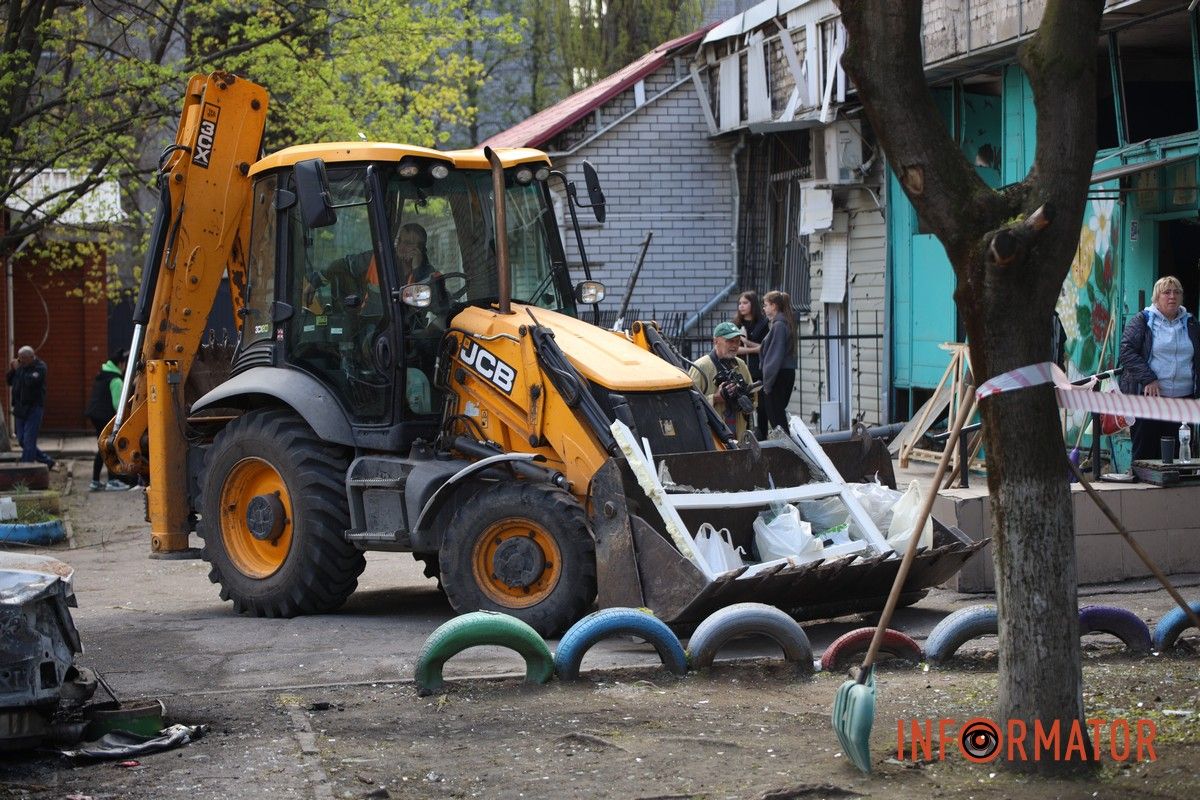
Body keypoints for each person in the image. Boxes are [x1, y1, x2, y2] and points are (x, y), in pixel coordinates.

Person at [1118, 275, 1200, 461]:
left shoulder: (1191, 323)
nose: (1172, 296)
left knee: (1178, 453)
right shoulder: (1143, 320)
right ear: (1156, 297)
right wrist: (1149, 378)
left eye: (1177, 292)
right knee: (1146, 450)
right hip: (1150, 398)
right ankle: (1141, 487)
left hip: (1183, 399)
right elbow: (1126, 352)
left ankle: (1174, 490)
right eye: (1167, 292)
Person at [689, 322, 757, 442]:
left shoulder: (741, 365)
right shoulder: (701, 366)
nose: (735, 345)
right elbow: (688, 404)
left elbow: (753, 400)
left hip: (738, 434)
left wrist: (746, 398)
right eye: (730, 341)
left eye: (737, 341)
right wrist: (715, 398)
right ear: (716, 342)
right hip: (711, 437)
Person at [85, 350, 131, 491]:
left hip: (95, 415)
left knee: (102, 446)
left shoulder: (103, 375)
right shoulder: (115, 380)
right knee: (109, 446)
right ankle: (112, 480)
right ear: (121, 364)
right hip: (105, 416)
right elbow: (118, 405)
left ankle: (95, 481)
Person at [6, 345, 55, 470]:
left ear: (31, 357)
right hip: (20, 408)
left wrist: (18, 370)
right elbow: (9, 381)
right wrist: (12, 370)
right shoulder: (20, 367)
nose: (20, 360)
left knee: (29, 440)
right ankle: (47, 461)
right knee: (22, 440)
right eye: (19, 358)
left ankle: (25, 467)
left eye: (22, 358)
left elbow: (30, 382)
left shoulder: (40, 367)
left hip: (34, 408)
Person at [760, 290, 797, 432]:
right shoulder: (785, 323)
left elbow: (774, 357)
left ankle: (786, 449)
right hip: (785, 373)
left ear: (774, 306)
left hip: (777, 375)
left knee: (777, 419)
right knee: (778, 416)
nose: (764, 308)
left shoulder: (779, 325)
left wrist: (767, 384)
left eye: (766, 305)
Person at [734, 290, 769, 439]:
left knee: (761, 405)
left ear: (752, 304)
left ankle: (762, 435)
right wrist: (755, 349)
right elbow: (735, 349)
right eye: (740, 303)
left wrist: (747, 343)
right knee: (744, 404)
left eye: (745, 303)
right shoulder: (736, 325)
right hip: (741, 369)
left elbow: (765, 347)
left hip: (758, 369)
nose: (741, 306)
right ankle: (744, 435)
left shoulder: (762, 324)